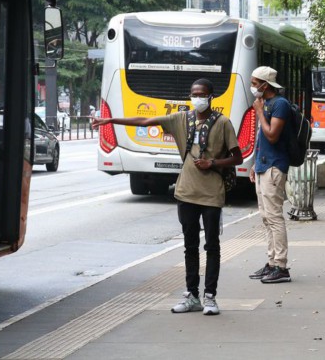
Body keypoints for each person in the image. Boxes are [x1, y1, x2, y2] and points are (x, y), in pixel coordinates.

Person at [92, 78, 242, 315]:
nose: (197, 98)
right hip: (185, 192)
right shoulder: (181, 119)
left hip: (212, 194)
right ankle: (192, 295)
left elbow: (237, 157)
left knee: (212, 246)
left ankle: (210, 297)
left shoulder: (223, 123)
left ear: (211, 96)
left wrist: (213, 162)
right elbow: (143, 120)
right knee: (189, 246)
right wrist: (110, 120)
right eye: (193, 94)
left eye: (201, 94)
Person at [248, 66, 293, 284]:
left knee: (274, 218)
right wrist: (254, 165)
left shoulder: (279, 105)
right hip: (263, 166)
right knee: (266, 219)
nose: (253, 87)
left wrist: (258, 112)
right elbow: (261, 139)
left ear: (266, 85)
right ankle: (272, 262)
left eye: (255, 83)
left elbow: (272, 136)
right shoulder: (265, 104)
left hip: (274, 167)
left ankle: (281, 266)